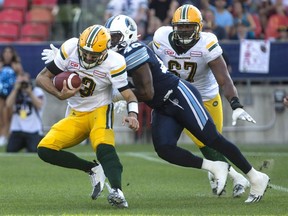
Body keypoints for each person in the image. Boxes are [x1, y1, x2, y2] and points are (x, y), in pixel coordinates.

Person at [42, 16, 270, 203]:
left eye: (116, 37)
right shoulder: (110, 56)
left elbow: (147, 92)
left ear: (129, 36)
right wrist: (65, 62)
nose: (111, 42)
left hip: (178, 95)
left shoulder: (135, 51)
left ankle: (255, 176)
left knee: (212, 139)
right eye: (109, 37)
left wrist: (120, 97)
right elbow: (92, 74)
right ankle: (214, 166)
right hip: (161, 106)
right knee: (165, 149)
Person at [149, 4, 254, 197]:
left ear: (199, 26)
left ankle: (235, 176)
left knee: (214, 141)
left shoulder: (207, 42)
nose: (184, 30)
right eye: (180, 26)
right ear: (173, 26)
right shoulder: (161, 37)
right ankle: (236, 178)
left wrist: (236, 103)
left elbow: (225, 79)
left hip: (206, 96)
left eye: (189, 26)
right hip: (178, 97)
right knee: (205, 144)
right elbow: (146, 63)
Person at [36, 24, 140, 208]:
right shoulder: (70, 48)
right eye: (86, 52)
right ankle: (92, 169)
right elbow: (42, 78)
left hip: (99, 110)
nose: (89, 57)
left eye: (94, 54)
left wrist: (133, 114)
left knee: (103, 147)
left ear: (106, 49)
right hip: (76, 114)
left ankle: (117, 192)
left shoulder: (114, 61)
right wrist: (60, 95)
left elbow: (129, 94)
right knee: (44, 149)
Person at [5, 72, 45, 153]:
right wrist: (16, 89)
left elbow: (39, 105)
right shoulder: (15, 92)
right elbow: (8, 104)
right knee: (10, 150)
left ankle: (36, 141)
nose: (23, 84)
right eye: (21, 82)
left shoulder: (37, 91)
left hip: (33, 129)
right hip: (17, 129)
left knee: (34, 151)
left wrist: (30, 92)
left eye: (24, 82)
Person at [0, 46, 23, 146]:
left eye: (10, 52)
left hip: (11, 93)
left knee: (8, 114)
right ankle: (2, 135)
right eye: (6, 52)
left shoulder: (16, 65)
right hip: (1, 93)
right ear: (3, 54)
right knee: (1, 114)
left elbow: (21, 77)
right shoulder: (0, 64)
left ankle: (7, 135)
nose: (7, 54)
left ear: (12, 54)